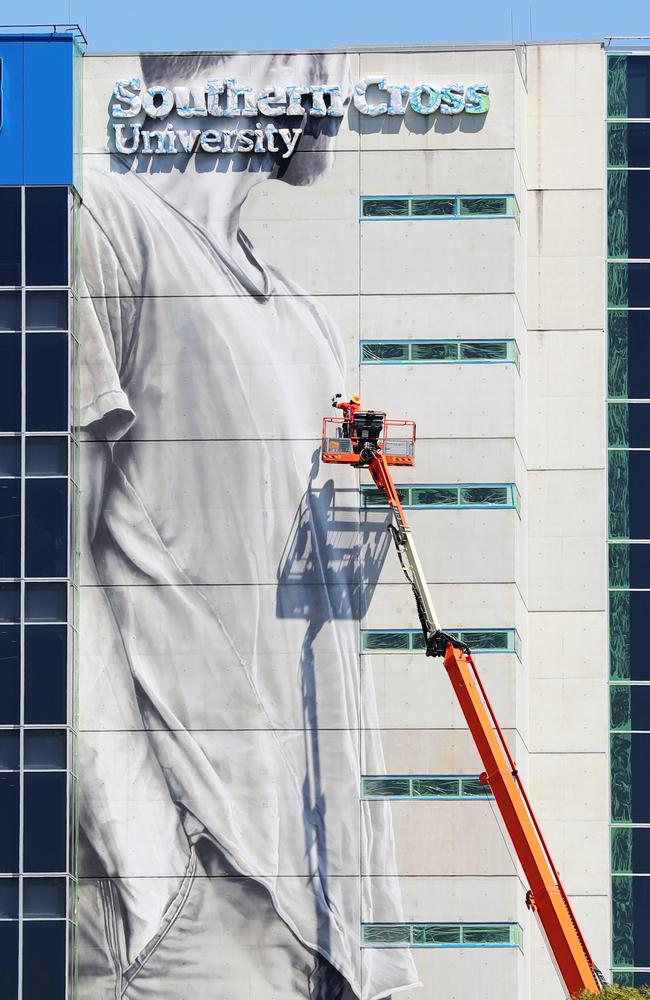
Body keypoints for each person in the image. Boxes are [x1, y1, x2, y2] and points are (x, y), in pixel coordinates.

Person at [77, 51, 417, 1000]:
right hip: (203, 910)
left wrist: (369, 940)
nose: (353, 85)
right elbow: (37, 565)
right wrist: (160, 885)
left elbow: (325, 639)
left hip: (329, 932)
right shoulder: (101, 223)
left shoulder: (310, 323)